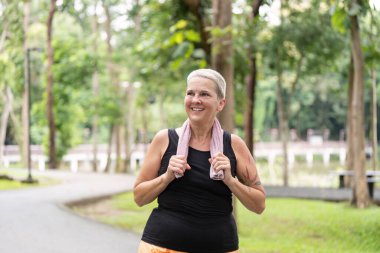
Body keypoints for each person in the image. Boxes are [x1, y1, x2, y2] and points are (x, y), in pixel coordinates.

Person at [133, 68, 266, 253]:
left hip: (220, 246)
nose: (195, 99)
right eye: (190, 93)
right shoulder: (164, 140)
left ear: (220, 104)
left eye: (204, 94)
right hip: (162, 247)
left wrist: (230, 181)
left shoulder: (234, 145)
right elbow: (139, 197)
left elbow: (259, 205)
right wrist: (167, 176)